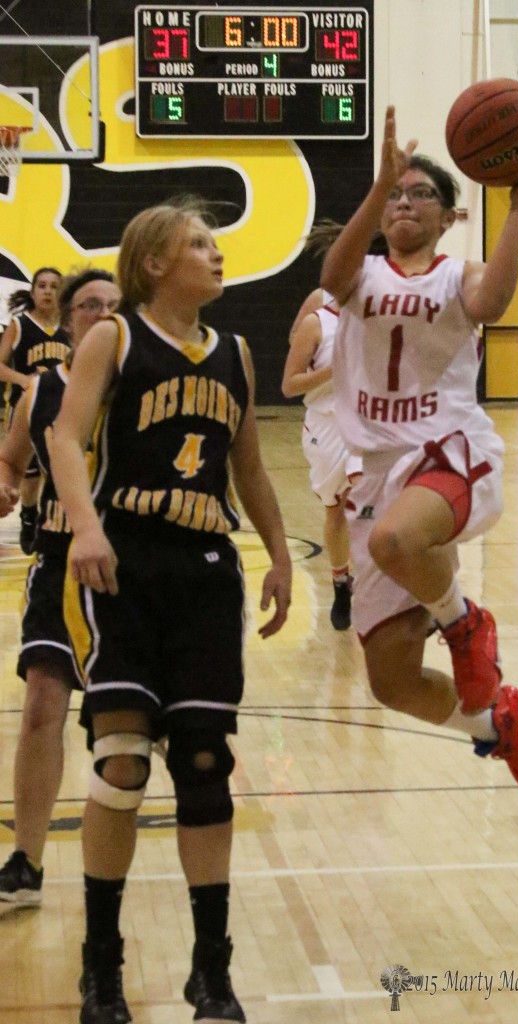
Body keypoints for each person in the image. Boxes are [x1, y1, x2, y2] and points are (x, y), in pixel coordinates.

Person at [51, 199, 292, 1024]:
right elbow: (64, 435)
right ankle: (101, 968)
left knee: (202, 765)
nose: (215, 255)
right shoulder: (112, 337)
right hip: (126, 563)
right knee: (121, 759)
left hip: (205, 570)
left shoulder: (238, 355)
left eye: (214, 243)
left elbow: (250, 467)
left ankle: (210, 970)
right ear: (153, 263)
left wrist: (283, 555)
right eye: (198, 243)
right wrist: (85, 525)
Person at [320, 106, 518, 799]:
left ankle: (464, 621)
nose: (403, 202)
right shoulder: (360, 275)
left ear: (449, 216)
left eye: (420, 193)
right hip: (379, 474)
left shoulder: (457, 275)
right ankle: (491, 725)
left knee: (397, 538)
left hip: (449, 450)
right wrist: (377, 183)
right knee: (389, 682)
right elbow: (334, 277)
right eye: (396, 193)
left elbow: (491, 301)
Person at [0, 269, 121, 912]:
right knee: (43, 704)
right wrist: (5, 483)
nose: (101, 313)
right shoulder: (45, 388)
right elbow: (11, 460)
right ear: (69, 319)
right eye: (89, 305)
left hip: (130, 572)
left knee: (119, 728)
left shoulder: (147, 382)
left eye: (113, 305)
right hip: (58, 564)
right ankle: (26, 860)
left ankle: (109, 866)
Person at [282, 290, 356, 629]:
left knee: (371, 503)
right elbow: (290, 385)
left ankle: (383, 591)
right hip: (326, 423)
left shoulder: (380, 311)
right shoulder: (319, 314)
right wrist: (331, 369)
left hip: (367, 424)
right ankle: (342, 584)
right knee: (335, 509)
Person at [0, 268, 70, 554]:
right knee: (28, 477)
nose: (47, 291)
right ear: (33, 292)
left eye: (54, 286)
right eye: (42, 285)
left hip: (63, 409)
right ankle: (28, 515)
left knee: (56, 471)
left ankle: (52, 521)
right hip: (25, 409)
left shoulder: (70, 328)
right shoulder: (19, 325)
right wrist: (24, 379)